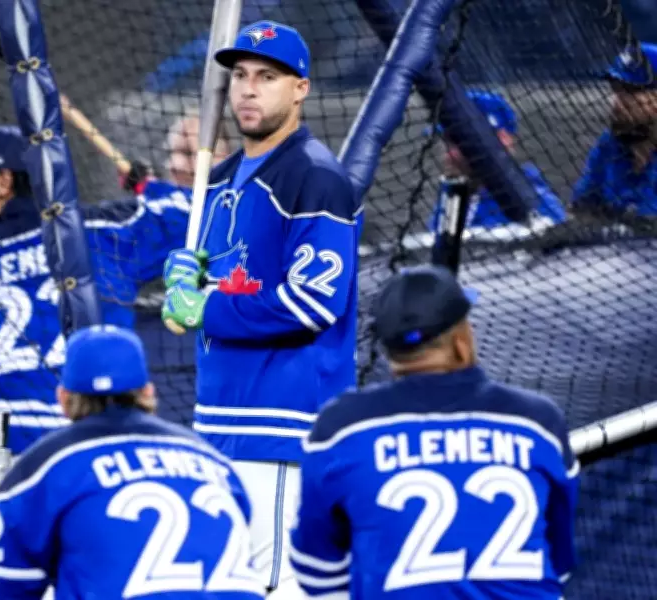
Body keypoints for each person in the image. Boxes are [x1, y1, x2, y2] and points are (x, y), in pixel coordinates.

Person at [0, 124, 192, 600]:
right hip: (64, 439)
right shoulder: (101, 231)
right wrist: (146, 187)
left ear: (3, 181)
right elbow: (190, 220)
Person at [160, 20, 362, 596]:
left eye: (267, 77)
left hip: (282, 431)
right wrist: (186, 288)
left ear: (300, 89)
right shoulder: (218, 179)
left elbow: (312, 302)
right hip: (220, 424)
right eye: (241, 76)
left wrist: (207, 307)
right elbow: (204, 300)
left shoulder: (316, 177)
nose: (248, 89)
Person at [289, 265, 580, 599]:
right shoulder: (538, 421)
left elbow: (316, 572)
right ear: (462, 341)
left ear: (388, 349)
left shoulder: (341, 428)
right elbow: (560, 562)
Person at [0, 324, 265, 600]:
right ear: (148, 392)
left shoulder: (44, 467)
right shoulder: (215, 463)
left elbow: (7, 586)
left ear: (63, 397)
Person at [428, 90, 567, 231]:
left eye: (457, 142)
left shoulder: (532, 200)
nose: (448, 156)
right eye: (446, 144)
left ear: (501, 140)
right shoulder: (456, 195)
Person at [571, 43, 657, 220]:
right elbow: (581, 208)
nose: (617, 102)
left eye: (630, 91)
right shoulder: (611, 144)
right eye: (616, 90)